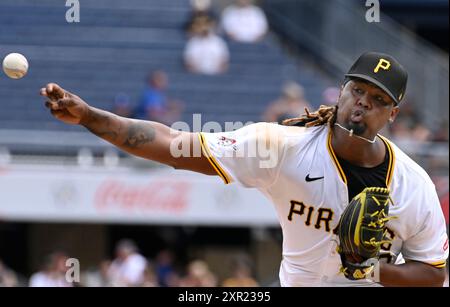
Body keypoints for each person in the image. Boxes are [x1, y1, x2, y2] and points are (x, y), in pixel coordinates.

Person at [41, 51, 448, 287]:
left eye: (377, 99)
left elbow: (433, 275)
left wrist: (372, 269)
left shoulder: (412, 186)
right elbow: (172, 145)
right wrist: (91, 117)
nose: (361, 102)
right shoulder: (281, 148)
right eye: (357, 89)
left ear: (393, 113)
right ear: (341, 90)